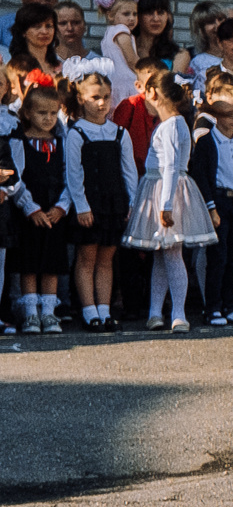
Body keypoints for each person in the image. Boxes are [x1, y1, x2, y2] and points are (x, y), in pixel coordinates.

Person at [124, 70, 215, 331]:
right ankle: (155, 312)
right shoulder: (167, 124)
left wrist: (165, 206)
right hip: (157, 186)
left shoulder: (174, 124)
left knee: (173, 254)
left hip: (168, 190)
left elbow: (172, 166)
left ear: (153, 93)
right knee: (162, 255)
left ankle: (179, 313)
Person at [62, 71, 138, 330]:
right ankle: (88, 310)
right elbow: (74, 173)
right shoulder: (77, 133)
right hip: (89, 205)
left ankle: (104, 310)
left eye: (106, 97)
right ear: (81, 98)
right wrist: (81, 206)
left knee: (107, 258)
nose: (102, 103)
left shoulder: (119, 133)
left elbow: (129, 172)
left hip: (114, 203)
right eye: (95, 97)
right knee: (87, 258)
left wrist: (131, 203)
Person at [189, 91, 233, 326]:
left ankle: (231, 306)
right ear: (216, 115)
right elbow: (201, 177)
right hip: (220, 201)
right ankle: (213, 308)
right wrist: (211, 208)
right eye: (229, 114)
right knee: (217, 258)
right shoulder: (207, 142)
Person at [8, 84, 73, 332]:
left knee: (51, 263)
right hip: (30, 212)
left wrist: (62, 207)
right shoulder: (19, 142)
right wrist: (30, 207)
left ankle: (49, 313)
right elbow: (12, 175)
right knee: (29, 262)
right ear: (26, 113)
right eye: (41, 113)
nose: (47, 118)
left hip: (54, 210)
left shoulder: (62, 141)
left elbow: (71, 176)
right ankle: (31, 314)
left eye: (52, 113)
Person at [9, 1, 62, 91]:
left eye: (49, 26)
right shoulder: (18, 66)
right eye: (37, 27)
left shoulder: (59, 65)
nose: (44, 31)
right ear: (23, 31)